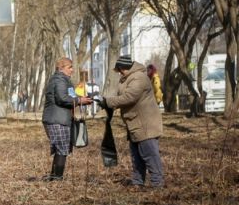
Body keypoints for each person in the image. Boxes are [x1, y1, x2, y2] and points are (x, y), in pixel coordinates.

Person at [96, 55, 164, 187]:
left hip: (145, 124)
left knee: (150, 155)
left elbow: (130, 97)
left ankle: (157, 184)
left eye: (120, 69)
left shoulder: (139, 77)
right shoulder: (127, 78)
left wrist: (108, 102)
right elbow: (121, 97)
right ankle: (138, 182)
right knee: (137, 156)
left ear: (125, 67)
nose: (119, 72)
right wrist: (107, 103)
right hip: (134, 123)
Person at [41, 57, 93, 181]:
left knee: (61, 148)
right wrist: (80, 101)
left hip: (60, 119)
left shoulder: (64, 80)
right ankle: (57, 179)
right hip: (57, 120)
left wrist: (83, 99)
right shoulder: (59, 80)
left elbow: (71, 96)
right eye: (69, 67)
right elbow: (62, 99)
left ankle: (54, 177)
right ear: (61, 68)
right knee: (62, 149)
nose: (72, 70)